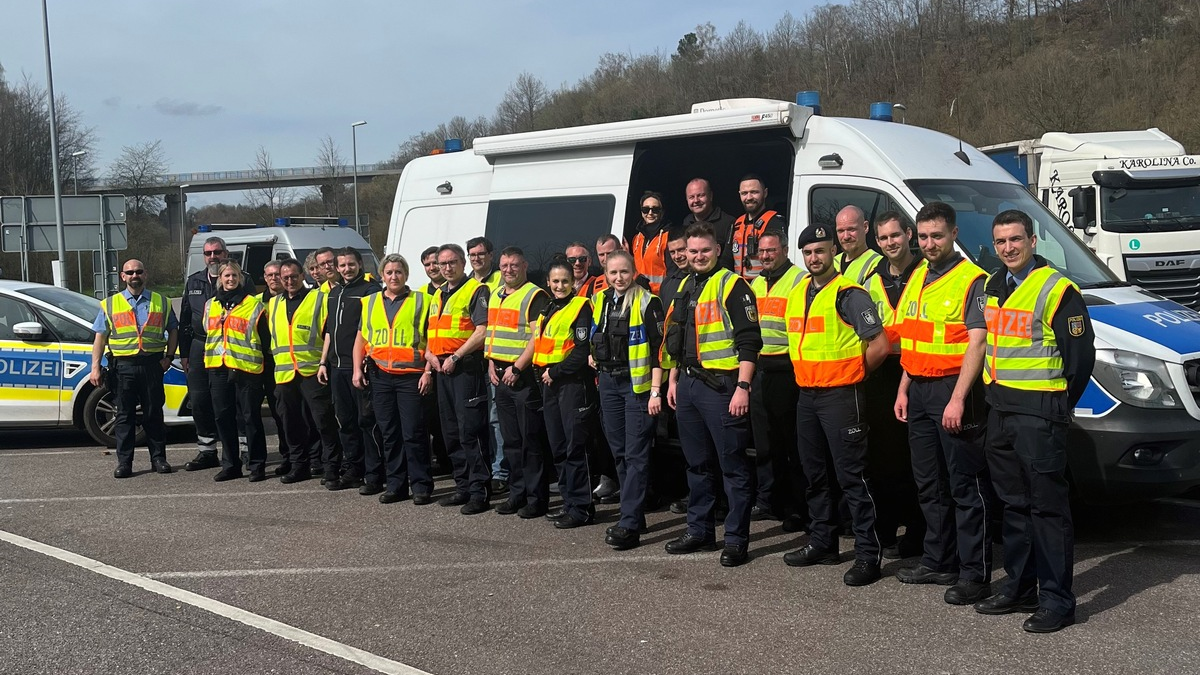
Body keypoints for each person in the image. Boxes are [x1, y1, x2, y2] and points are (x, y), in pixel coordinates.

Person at [974, 209, 1094, 634]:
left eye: (1015, 239)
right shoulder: (993, 285)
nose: (1008, 248)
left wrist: (1056, 406)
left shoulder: (1058, 290)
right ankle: (1020, 587)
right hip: (1000, 411)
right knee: (1014, 506)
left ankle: (1057, 601)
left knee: (1047, 509)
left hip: (1039, 414)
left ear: (1032, 241)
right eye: (1001, 241)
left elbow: (1080, 361)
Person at [893, 202, 993, 606]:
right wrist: (903, 387)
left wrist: (958, 399)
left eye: (937, 235)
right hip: (918, 389)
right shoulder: (918, 274)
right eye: (923, 236)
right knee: (929, 483)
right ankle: (938, 560)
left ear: (953, 233)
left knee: (966, 485)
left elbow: (978, 343)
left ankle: (974, 574)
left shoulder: (973, 280)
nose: (929, 243)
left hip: (954, 391)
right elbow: (912, 338)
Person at [781, 222, 890, 586]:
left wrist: (855, 374)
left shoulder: (849, 294)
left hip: (841, 396)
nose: (814, 257)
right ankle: (822, 542)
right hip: (807, 396)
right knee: (814, 475)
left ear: (833, 252)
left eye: (820, 250)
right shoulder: (798, 291)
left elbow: (880, 345)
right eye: (808, 252)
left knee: (852, 478)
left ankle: (867, 555)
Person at [663, 223, 762, 568]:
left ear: (718, 250)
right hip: (688, 384)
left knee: (732, 466)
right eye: (693, 251)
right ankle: (700, 531)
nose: (698, 256)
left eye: (705, 250)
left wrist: (743, 387)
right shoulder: (686, 285)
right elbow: (678, 338)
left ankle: (735, 540)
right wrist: (673, 380)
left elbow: (750, 341)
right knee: (697, 465)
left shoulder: (733, 285)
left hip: (722, 387)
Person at [861, 212, 925, 559]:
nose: (890, 243)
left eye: (895, 236)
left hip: (917, 370)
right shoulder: (873, 280)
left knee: (916, 460)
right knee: (882, 458)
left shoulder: (926, 273)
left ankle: (916, 532)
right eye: (884, 238)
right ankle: (885, 528)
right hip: (882, 373)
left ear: (909, 235)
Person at [595, 251, 666, 549]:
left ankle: (629, 526)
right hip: (608, 383)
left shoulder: (649, 302)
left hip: (637, 387)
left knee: (636, 455)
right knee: (620, 453)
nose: (619, 278)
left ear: (634, 272)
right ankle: (634, 514)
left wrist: (655, 391)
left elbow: (659, 350)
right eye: (613, 273)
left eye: (624, 272)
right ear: (606, 274)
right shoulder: (600, 300)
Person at [354, 253, 435, 505]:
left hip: (411, 377)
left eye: (398, 272)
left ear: (406, 274)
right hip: (380, 376)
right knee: (389, 433)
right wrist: (357, 369)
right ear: (382, 275)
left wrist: (428, 372)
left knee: (414, 433)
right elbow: (361, 338)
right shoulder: (369, 302)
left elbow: (432, 340)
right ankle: (396, 486)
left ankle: (421, 486)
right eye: (389, 272)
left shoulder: (422, 300)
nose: (394, 276)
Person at [525, 258, 596, 528]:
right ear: (548, 282)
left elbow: (580, 351)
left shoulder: (580, 307)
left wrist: (555, 372)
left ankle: (582, 508)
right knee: (558, 448)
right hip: (550, 385)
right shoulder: (549, 308)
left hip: (571, 384)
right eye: (555, 281)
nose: (560, 285)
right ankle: (569, 503)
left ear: (573, 282)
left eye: (565, 281)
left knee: (576, 447)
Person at [91, 259, 178, 478]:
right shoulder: (110, 304)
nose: (134, 276)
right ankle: (124, 463)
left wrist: (169, 357)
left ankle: (158, 459)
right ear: (123, 276)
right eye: (129, 273)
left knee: (153, 414)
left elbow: (173, 330)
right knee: (124, 416)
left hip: (152, 365)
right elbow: (100, 337)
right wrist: (95, 368)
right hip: (123, 367)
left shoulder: (162, 301)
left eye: (138, 272)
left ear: (145, 274)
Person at [746, 229, 807, 529]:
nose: (766, 256)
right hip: (760, 369)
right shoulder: (756, 283)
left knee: (791, 443)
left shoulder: (799, 280)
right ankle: (768, 500)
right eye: (762, 251)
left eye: (772, 250)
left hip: (787, 369)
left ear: (784, 249)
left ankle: (797, 507)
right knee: (764, 441)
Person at [427, 243, 493, 515]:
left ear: (463, 263)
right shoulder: (438, 294)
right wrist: (430, 356)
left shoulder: (476, 290)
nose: (447, 267)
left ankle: (480, 492)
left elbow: (482, 330)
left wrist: (455, 357)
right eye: (442, 263)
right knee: (451, 432)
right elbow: (431, 332)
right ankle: (463, 486)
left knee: (470, 432)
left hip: (465, 369)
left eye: (452, 262)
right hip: (442, 370)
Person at [486, 247, 552, 518]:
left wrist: (517, 367)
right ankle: (517, 494)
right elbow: (493, 333)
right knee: (511, 441)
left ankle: (537, 499)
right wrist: (491, 362)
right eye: (504, 265)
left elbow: (537, 338)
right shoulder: (496, 294)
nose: (509, 270)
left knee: (530, 441)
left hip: (522, 377)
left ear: (524, 266)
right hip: (500, 375)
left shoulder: (534, 295)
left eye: (514, 265)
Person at [318, 247, 384, 493]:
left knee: (367, 422)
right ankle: (354, 469)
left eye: (351, 264)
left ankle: (375, 474)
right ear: (337, 267)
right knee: (345, 422)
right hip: (337, 367)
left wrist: (363, 363)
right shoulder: (334, 293)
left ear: (360, 264)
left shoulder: (370, 291)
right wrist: (323, 362)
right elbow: (329, 331)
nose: (347, 269)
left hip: (360, 367)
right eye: (342, 265)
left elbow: (371, 329)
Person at [179, 236, 243, 472]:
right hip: (199, 345)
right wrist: (184, 353)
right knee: (199, 400)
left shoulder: (240, 279)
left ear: (226, 253)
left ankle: (243, 449)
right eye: (208, 253)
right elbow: (185, 318)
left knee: (232, 401)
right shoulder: (194, 281)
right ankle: (207, 451)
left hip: (229, 347)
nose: (213, 257)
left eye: (217, 252)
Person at [270, 258, 337, 484]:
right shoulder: (273, 304)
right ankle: (299, 466)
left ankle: (331, 467)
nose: (289, 281)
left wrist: (323, 363)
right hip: (285, 374)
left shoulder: (318, 298)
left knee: (323, 422)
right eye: (285, 277)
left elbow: (328, 333)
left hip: (312, 370)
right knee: (291, 424)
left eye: (294, 276)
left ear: (303, 276)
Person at [203, 261, 270, 482]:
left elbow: (264, 338)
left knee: (250, 418)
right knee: (223, 418)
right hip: (218, 368)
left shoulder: (253, 304)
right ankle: (231, 465)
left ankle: (257, 464)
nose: (230, 279)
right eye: (227, 276)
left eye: (234, 276)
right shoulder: (211, 305)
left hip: (246, 368)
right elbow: (207, 332)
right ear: (220, 279)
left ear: (240, 278)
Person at [468, 235, 506, 495]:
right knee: (477, 418)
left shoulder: (501, 279)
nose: (477, 258)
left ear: (491, 255)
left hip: (494, 356)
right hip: (470, 360)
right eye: (472, 255)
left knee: (496, 418)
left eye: (481, 254)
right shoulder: (466, 283)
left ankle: (500, 471)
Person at [420, 246, 450, 475]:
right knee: (432, 416)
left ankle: (449, 460)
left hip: (450, 362)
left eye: (434, 263)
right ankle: (440, 457)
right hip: (428, 361)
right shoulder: (421, 294)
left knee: (447, 418)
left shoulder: (453, 290)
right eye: (427, 264)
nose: (432, 268)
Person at [260, 261, 292, 474]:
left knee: (291, 413)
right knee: (278, 413)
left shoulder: (292, 299)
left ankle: (301, 456)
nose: (274, 278)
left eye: (277, 274)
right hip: (264, 363)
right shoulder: (256, 302)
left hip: (288, 362)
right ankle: (287, 455)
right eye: (269, 275)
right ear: (265, 277)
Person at [728, 175, 786, 281]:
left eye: (754, 192)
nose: (749, 197)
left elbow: (779, 261)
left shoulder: (774, 222)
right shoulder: (736, 223)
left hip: (764, 284)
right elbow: (727, 259)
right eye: (744, 193)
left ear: (765, 193)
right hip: (739, 285)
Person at [679, 177, 736, 269]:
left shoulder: (728, 222)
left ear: (711, 196)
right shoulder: (686, 222)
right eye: (691, 197)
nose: (696, 200)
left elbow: (728, 260)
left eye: (700, 195)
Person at [630, 191, 671, 294]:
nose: (650, 213)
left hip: (660, 296)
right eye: (646, 209)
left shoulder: (668, 237)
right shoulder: (637, 239)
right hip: (638, 294)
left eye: (655, 209)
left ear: (662, 212)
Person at [834, 206, 884, 285]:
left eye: (851, 229)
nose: (846, 236)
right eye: (841, 231)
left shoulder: (879, 265)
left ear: (865, 227)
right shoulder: (832, 263)